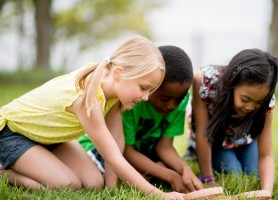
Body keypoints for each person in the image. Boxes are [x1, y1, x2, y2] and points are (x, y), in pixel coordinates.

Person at [0, 35, 184, 200]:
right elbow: (113, 157)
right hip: (13, 134)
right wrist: (159, 195)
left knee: (94, 182)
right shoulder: (87, 98)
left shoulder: (112, 90)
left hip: (48, 138)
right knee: (68, 184)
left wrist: (111, 188)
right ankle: (5, 173)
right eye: (143, 88)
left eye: (150, 90)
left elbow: (116, 139)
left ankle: (37, 162)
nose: (145, 97)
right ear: (119, 73)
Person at [79, 45, 203, 193]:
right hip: (107, 151)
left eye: (179, 99)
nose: (171, 105)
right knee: (154, 174)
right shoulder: (132, 101)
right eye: (165, 98)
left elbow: (164, 147)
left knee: (163, 167)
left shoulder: (179, 102)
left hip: (141, 153)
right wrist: (171, 176)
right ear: (153, 87)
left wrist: (184, 169)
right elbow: (125, 151)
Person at [185, 49, 278, 193]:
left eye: (259, 102)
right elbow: (203, 134)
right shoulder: (205, 83)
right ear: (232, 84)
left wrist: (267, 191)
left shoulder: (267, 102)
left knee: (253, 174)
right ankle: (192, 151)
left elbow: (266, 154)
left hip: (244, 139)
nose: (251, 107)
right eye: (245, 99)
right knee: (234, 172)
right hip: (215, 139)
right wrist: (208, 178)